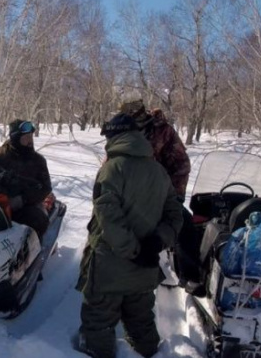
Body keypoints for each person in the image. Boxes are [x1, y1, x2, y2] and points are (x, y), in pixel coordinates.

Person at [74, 113, 184, 358]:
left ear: (116, 136)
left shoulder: (111, 169)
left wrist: (133, 250)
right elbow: (176, 216)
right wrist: (154, 244)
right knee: (142, 324)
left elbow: (108, 218)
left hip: (109, 268)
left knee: (98, 325)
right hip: (144, 268)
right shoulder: (158, 171)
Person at [119, 96, 203, 294]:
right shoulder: (121, 132)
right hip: (129, 193)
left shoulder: (163, 131)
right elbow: (111, 164)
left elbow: (181, 164)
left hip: (162, 193)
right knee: (107, 222)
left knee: (184, 224)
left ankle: (190, 275)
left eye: (136, 115)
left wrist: (175, 194)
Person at [0, 119, 52, 240]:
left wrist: (23, 199)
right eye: (26, 137)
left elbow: (46, 187)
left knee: (38, 221)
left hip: (25, 205)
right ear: (16, 137)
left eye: (31, 136)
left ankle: (31, 253)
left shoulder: (38, 160)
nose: (30, 140)